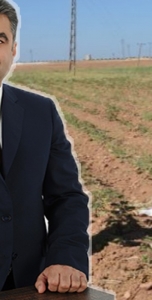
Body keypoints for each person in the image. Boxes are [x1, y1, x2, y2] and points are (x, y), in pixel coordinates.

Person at [0, 0, 89, 293]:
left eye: (0, 39)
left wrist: (66, 258)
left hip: (27, 285)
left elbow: (65, 196)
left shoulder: (40, 112)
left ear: (13, 50)